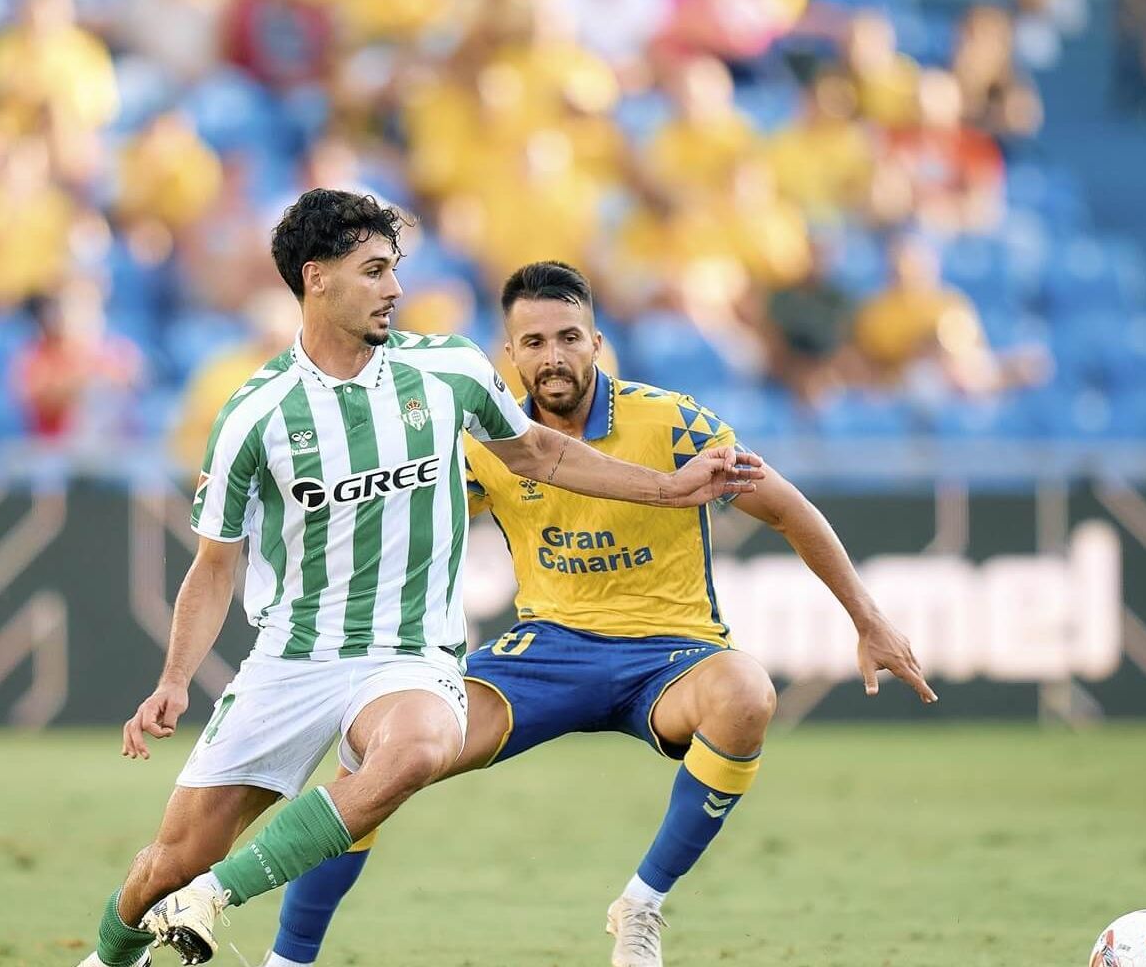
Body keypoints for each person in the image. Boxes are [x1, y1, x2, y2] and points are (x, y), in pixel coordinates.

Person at [72, 191, 762, 967]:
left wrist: (667, 488)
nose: (395, 288)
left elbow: (539, 453)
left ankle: (217, 897)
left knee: (419, 746)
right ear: (317, 278)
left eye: (394, 269)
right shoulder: (253, 414)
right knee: (171, 861)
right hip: (294, 658)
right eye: (373, 271)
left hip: (411, 653)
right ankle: (113, 954)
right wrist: (174, 680)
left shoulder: (448, 370)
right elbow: (213, 566)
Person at [267, 260, 935, 967]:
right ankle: (288, 959)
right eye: (534, 343)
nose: (552, 357)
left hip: (671, 652)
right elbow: (403, 533)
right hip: (546, 652)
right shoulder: (487, 443)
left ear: (596, 343)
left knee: (746, 692)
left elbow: (789, 509)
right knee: (381, 757)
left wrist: (869, 620)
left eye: (568, 337)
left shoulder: (672, 422)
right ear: (510, 354)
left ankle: (642, 904)